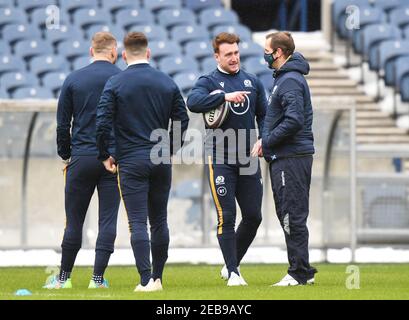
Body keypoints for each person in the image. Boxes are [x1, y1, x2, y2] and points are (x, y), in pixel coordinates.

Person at [96, 32, 189, 292]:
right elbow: (183, 120)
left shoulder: (115, 82)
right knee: (160, 220)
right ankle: (158, 278)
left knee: (137, 221)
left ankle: (145, 279)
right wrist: (169, 148)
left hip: (131, 158)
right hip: (160, 157)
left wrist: (106, 154)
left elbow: (102, 122)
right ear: (148, 53)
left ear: (124, 55)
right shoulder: (167, 82)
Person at [187, 32, 266, 286]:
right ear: (217, 56)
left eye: (236, 53)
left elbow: (264, 115)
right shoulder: (208, 80)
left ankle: (230, 264)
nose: (234, 58)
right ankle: (233, 273)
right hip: (221, 158)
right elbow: (193, 102)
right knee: (227, 216)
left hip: (248, 159)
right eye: (228, 54)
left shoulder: (253, 82)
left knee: (254, 216)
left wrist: (263, 138)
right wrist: (223, 97)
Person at [45, 32, 121, 289]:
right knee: (107, 220)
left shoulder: (73, 79)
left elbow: (62, 124)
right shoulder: (121, 78)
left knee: (74, 220)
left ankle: (63, 279)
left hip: (82, 157)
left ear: (91, 51)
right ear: (113, 52)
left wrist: (66, 153)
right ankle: (97, 280)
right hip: (112, 160)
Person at [254, 31, 317, 286]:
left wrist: (266, 141)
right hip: (287, 156)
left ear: (278, 52)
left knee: (292, 214)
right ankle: (301, 269)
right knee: (289, 213)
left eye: (267, 50)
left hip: (291, 157)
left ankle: (298, 272)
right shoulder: (284, 78)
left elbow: (294, 120)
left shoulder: (289, 80)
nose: (264, 55)